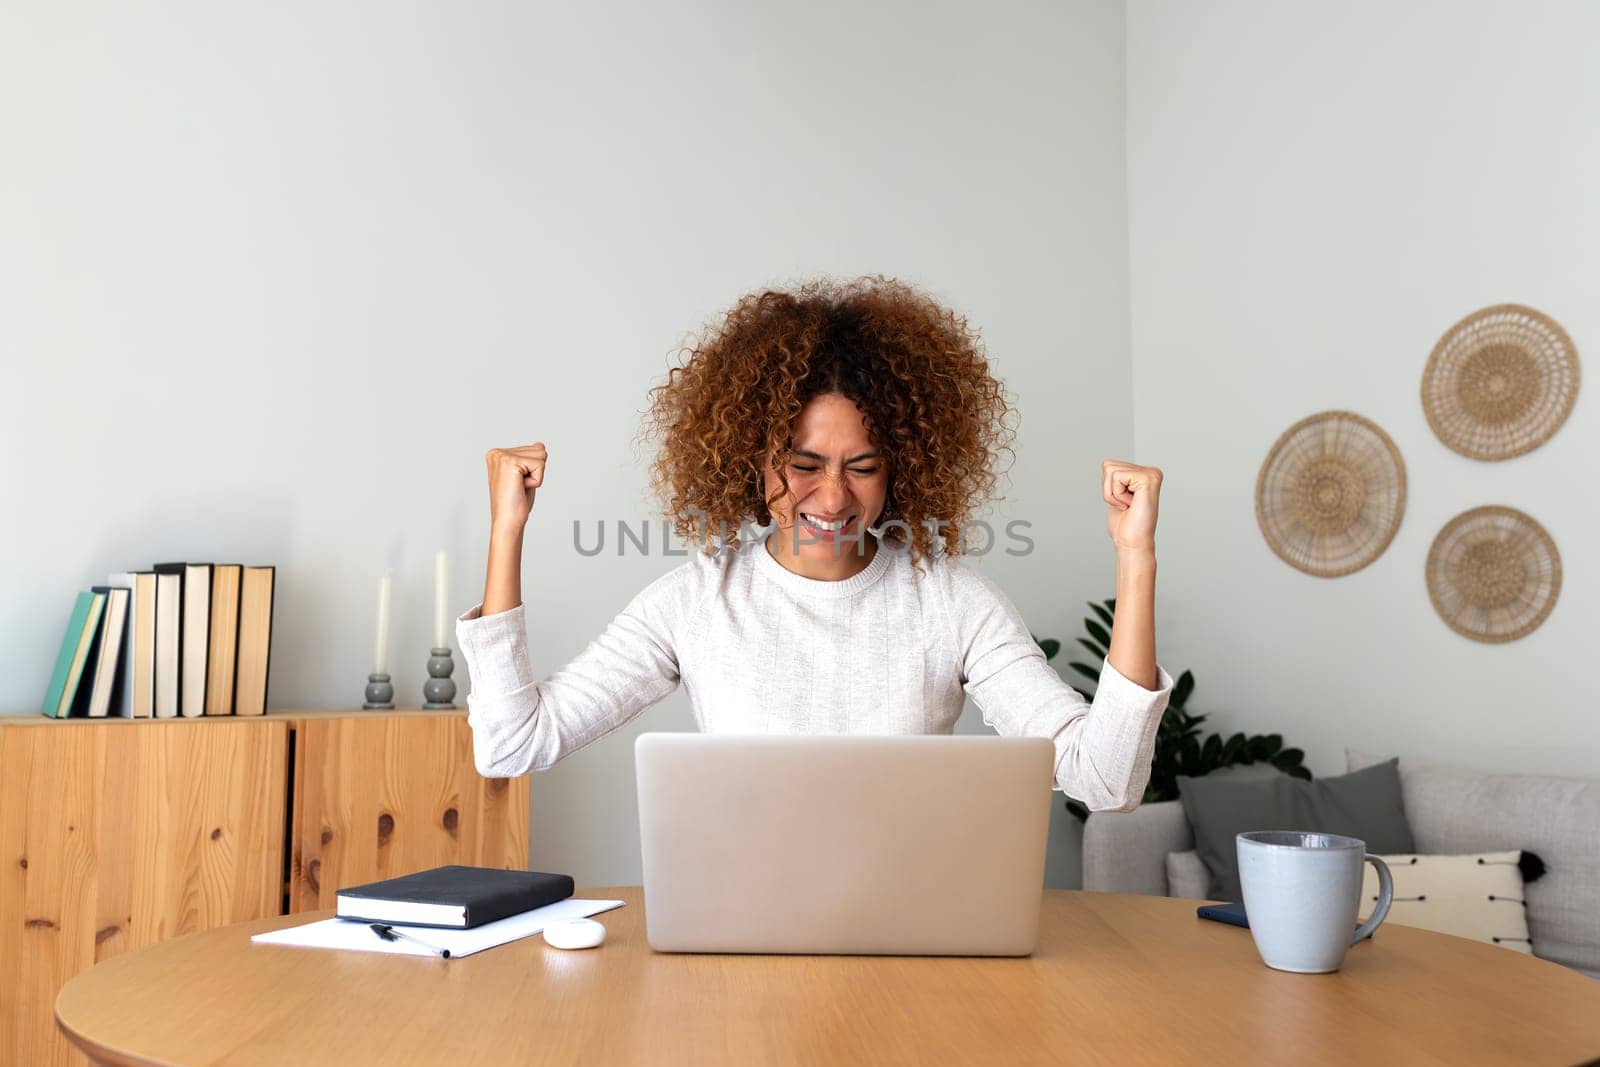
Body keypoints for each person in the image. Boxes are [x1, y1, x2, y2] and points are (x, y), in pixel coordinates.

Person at [457, 276, 1172, 812]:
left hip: (910, 939)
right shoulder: (696, 602)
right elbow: (513, 742)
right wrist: (506, 533)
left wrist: (1135, 560)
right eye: (803, 465)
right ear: (753, 458)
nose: (832, 499)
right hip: (741, 943)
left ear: (904, 467)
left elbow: (1104, 778)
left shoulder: (955, 604)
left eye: (862, 467)